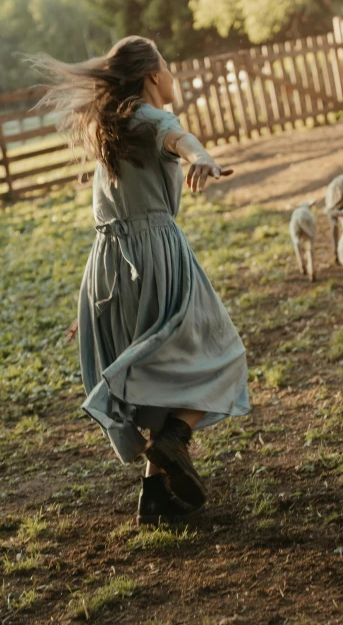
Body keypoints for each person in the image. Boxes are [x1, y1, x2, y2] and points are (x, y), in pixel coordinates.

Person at [33, 36, 250, 525]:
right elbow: (181, 139)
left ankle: (153, 499)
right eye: (168, 67)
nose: (172, 76)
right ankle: (175, 440)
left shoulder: (111, 130)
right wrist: (199, 157)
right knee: (224, 351)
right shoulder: (151, 118)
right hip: (155, 254)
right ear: (153, 75)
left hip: (108, 268)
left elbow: (107, 215)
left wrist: (88, 304)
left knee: (155, 375)